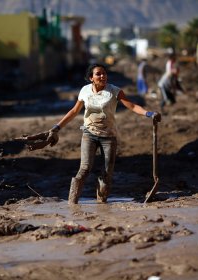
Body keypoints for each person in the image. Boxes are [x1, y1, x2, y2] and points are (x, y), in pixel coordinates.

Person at [46, 63, 161, 204]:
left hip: (109, 137)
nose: (103, 76)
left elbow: (131, 106)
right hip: (89, 134)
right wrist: (57, 127)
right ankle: (72, 203)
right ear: (91, 78)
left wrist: (149, 113)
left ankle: (101, 204)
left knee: (107, 173)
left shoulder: (114, 91)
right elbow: (74, 111)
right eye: (98, 74)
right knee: (84, 169)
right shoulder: (85, 91)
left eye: (104, 73)